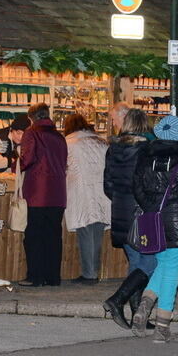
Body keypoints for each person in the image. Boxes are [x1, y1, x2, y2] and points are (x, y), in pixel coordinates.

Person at [130, 115, 178, 342]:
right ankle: (163, 326)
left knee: (163, 265)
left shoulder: (145, 155)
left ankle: (143, 306)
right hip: (177, 219)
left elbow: (136, 186)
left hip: (153, 218)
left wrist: (150, 206)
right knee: (171, 272)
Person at [101, 108, 157, 329]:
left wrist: (120, 199)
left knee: (136, 262)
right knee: (151, 262)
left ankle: (137, 315)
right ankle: (117, 299)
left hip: (120, 210)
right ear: (145, 125)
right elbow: (149, 185)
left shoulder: (113, 149)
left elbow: (107, 185)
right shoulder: (147, 151)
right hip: (141, 213)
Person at [17, 103, 68, 287]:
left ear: (32, 117)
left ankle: (35, 276)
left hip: (38, 192)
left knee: (34, 236)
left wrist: (17, 162)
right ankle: (53, 277)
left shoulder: (32, 133)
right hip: (58, 193)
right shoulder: (59, 137)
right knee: (53, 236)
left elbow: (27, 159)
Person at [63, 113, 110, 285]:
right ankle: (93, 272)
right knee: (96, 233)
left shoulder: (68, 143)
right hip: (101, 192)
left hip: (81, 192)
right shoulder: (102, 142)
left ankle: (89, 274)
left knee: (85, 232)